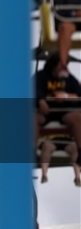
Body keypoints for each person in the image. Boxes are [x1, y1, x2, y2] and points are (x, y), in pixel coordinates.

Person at [34, 54, 81, 186]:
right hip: (46, 111)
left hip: (64, 112)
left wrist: (65, 95)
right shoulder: (41, 76)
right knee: (32, 120)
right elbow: (33, 88)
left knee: (78, 118)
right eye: (61, 66)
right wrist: (41, 100)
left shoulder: (68, 78)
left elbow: (78, 92)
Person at [53, 0, 81, 76]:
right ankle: (63, 65)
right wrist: (74, 13)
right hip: (72, 22)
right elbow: (58, 10)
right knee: (64, 27)